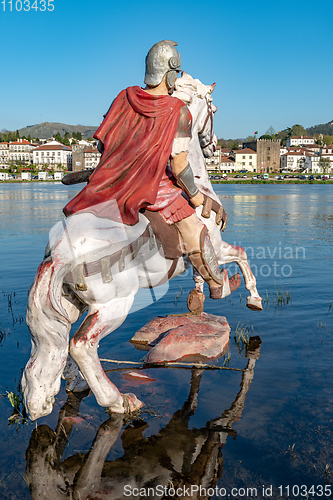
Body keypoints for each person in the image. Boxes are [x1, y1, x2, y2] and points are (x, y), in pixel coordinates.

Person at [63, 40, 224, 298]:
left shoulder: (123, 96)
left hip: (111, 183)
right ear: (170, 73)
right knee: (195, 230)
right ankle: (216, 285)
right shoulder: (179, 111)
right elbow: (179, 165)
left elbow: (103, 145)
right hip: (155, 189)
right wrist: (195, 195)